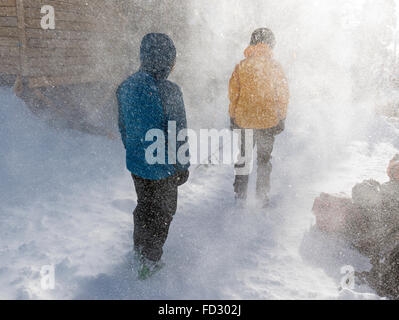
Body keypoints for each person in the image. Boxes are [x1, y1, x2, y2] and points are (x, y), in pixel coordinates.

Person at [117, 33, 190, 279]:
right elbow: (177, 130)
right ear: (167, 60)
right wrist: (182, 165)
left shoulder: (126, 86)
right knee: (164, 211)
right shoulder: (169, 90)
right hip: (163, 168)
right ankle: (150, 260)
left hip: (138, 165)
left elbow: (124, 126)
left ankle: (139, 248)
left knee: (144, 206)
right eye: (172, 59)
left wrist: (134, 152)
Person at [228, 28, 289, 207]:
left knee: (244, 158)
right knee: (264, 159)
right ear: (271, 44)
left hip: (244, 121)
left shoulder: (241, 66)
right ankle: (262, 196)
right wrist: (281, 117)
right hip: (268, 122)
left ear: (252, 43)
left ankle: (240, 195)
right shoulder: (275, 67)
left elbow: (234, 95)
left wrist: (232, 117)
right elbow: (283, 95)